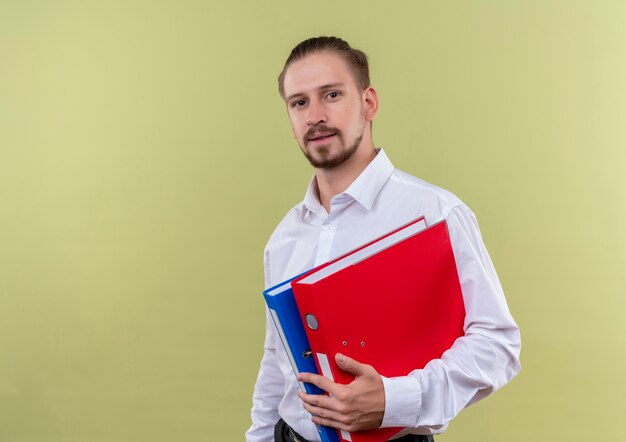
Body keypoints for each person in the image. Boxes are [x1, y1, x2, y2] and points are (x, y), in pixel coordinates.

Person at [246, 36, 521, 442]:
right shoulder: (285, 237)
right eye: (299, 102)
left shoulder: (435, 215)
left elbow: (497, 345)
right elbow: (279, 359)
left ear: (369, 103)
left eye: (332, 95)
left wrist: (394, 400)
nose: (315, 115)